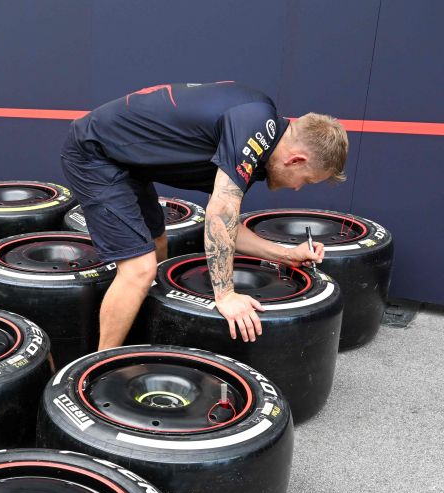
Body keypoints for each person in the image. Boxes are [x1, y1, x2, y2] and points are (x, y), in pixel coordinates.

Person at [61, 81, 347, 346]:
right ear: (296, 159)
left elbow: (226, 227)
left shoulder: (262, 136)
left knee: (158, 242)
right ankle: (95, 370)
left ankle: (143, 323)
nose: (298, 188)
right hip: (94, 153)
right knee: (139, 269)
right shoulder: (252, 125)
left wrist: (287, 254)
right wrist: (225, 295)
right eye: (306, 180)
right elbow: (220, 213)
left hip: (128, 161)